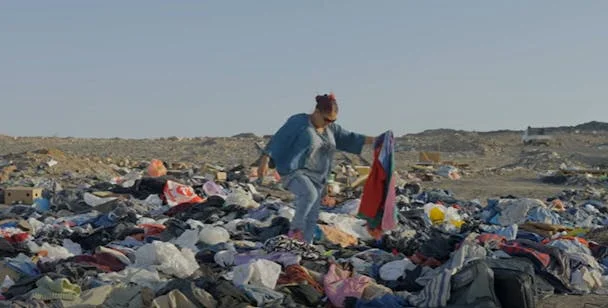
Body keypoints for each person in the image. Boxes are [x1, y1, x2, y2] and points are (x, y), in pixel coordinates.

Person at [258, 93, 376, 243]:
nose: (328, 123)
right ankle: (294, 232)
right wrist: (265, 158)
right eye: (326, 119)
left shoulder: (331, 129)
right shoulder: (299, 122)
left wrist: (377, 140)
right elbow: (279, 139)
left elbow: (350, 138)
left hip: (318, 176)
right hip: (294, 171)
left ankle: (304, 247)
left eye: (332, 120)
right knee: (309, 194)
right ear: (317, 111)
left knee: (312, 216)